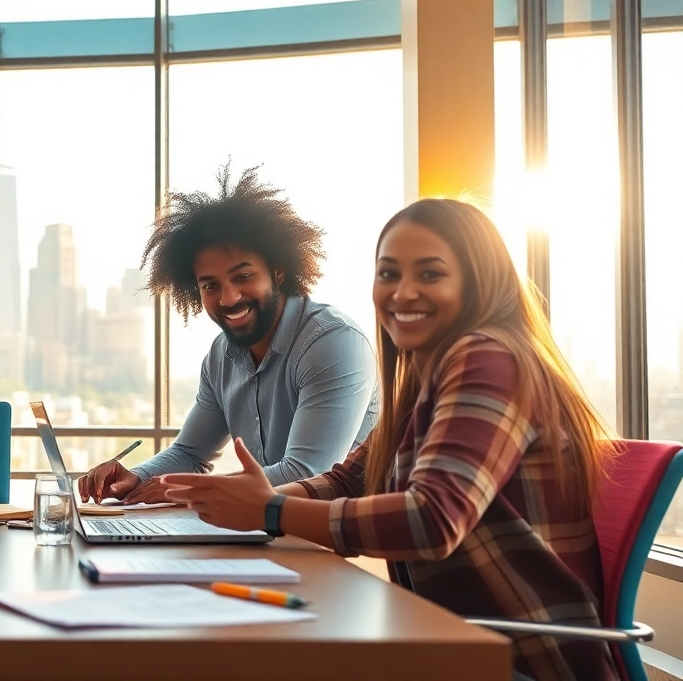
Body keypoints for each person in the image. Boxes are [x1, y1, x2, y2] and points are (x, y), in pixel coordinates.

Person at [162, 198, 618, 681]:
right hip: (448, 638)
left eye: (430, 274)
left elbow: (433, 519)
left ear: (478, 278)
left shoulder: (488, 358)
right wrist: (249, 500)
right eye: (388, 274)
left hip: (516, 660)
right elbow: (349, 479)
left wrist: (270, 511)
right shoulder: (430, 375)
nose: (403, 293)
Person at [78, 165, 378, 504]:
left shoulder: (334, 342)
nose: (228, 298)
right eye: (210, 285)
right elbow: (191, 454)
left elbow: (306, 473)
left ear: (278, 272)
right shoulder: (221, 357)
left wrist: (187, 490)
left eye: (243, 276)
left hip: (333, 540)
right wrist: (136, 477)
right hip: (265, 532)